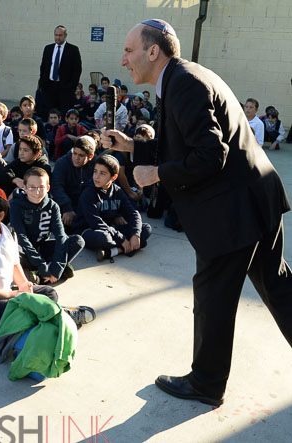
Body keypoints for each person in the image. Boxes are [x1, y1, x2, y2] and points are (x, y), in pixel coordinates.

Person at [102, 19, 292, 406]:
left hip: (233, 212)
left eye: (128, 50)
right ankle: (207, 379)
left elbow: (209, 154)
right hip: (256, 197)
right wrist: (132, 147)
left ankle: (206, 383)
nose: (123, 60)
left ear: (153, 51)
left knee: (213, 297)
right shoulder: (183, 77)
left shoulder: (183, 83)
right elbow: (186, 143)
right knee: (279, 287)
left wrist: (156, 173)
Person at [0, 187, 94, 332]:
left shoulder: (8, 231)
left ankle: (51, 314)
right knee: (20, 311)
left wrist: (23, 285)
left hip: (5, 294)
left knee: (49, 293)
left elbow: (14, 263)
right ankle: (64, 316)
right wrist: (10, 295)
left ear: (0, 216)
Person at [10, 167, 84, 284]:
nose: (37, 192)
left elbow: (61, 236)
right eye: (32, 187)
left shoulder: (53, 206)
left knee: (78, 241)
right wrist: (41, 265)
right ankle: (39, 272)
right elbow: (21, 237)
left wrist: (57, 267)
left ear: (48, 188)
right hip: (24, 250)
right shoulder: (16, 205)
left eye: (41, 187)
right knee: (10, 253)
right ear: (24, 187)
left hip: (42, 248)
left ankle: (46, 274)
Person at [76, 154, 151, 261]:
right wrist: (122, 239)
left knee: (146, 228)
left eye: (102, 173)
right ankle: (126, 248)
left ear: (114, 177)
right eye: (95, 171)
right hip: (90, 231)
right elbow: (96, 223)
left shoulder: (117, 191)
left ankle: (112, 251)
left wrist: (136, 234)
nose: (96, 177)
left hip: (111, 229)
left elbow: (133, 213)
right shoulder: (88, 193)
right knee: (104, 238)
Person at [37, 25, 82, 118]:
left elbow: (77, 70)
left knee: (63, 114)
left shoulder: (73, 49)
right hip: (49, 86)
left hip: (65, 88)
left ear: (65, 35)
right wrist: (42, 83)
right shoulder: (48, 48)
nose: (58, 37)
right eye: (56, 35)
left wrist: (71, 87)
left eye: (60, 35)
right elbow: (43, 67)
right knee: (49, 114)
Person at [51, 136, 96, 228]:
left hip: (88, 205)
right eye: (74, 153)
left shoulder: (97, 164)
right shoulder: (62, 163)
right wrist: (66, 207)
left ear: (90, 156)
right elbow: (56, 187)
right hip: (66, 204)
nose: (76, 158)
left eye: (81, 155)